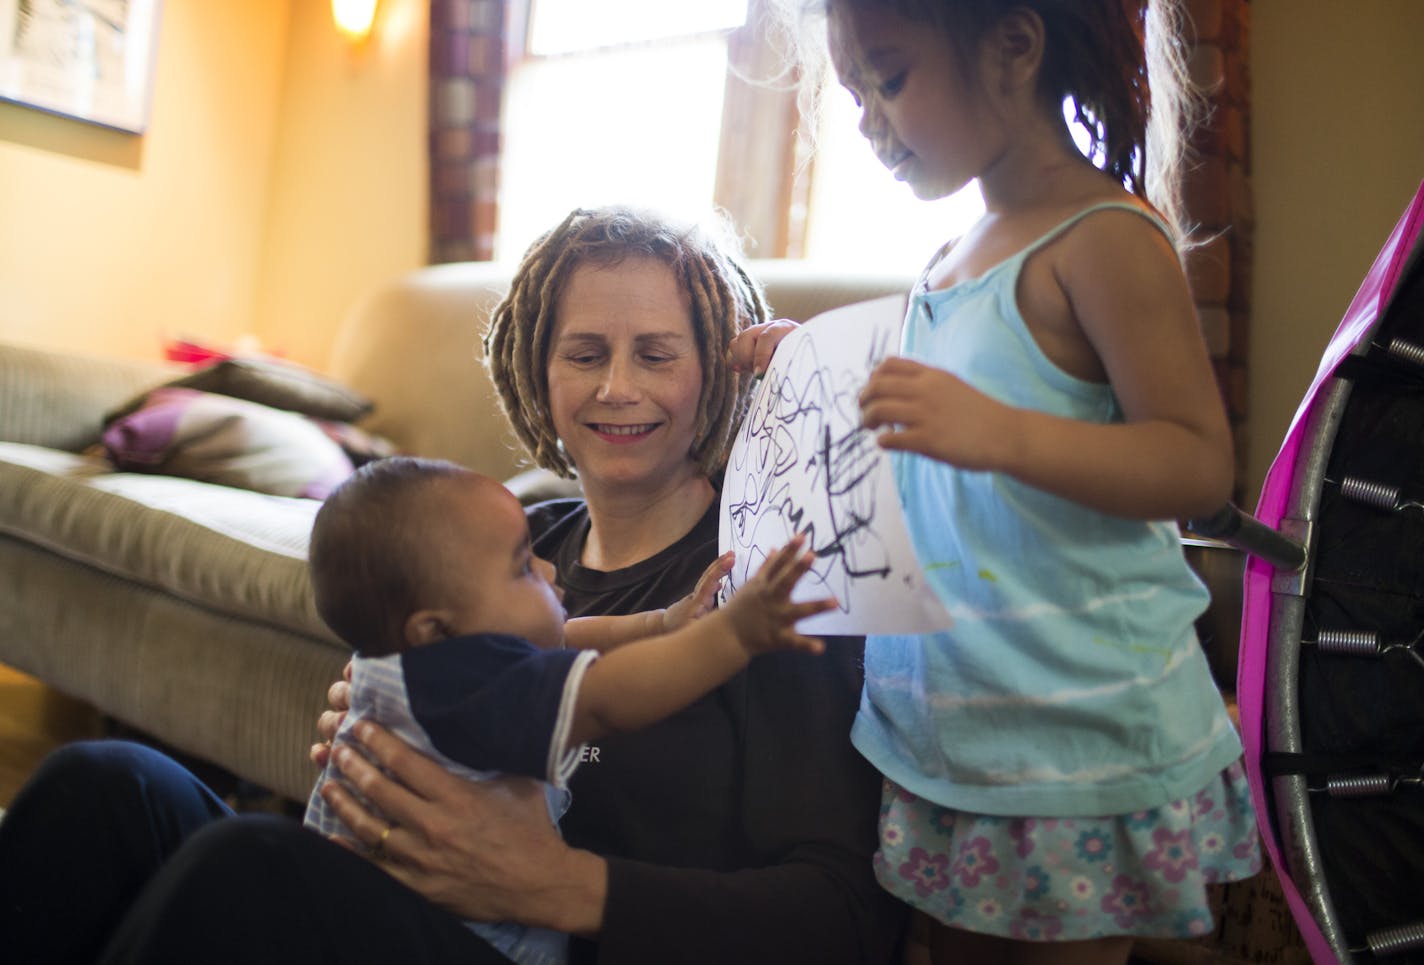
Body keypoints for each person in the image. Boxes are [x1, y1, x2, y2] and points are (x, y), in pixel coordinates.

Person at [0, 206, 906, 965]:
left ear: (715, 369)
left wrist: (560, 885)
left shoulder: (774, 577)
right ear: (536, 369)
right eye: (585, 353)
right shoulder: (512, 539)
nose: (617, 387)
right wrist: (378, 728)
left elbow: (844, 919)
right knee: (107, 781)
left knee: (248, 861)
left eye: (657, 354)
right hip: (419, 914)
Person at [733, 2, 1262, 963]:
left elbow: (1195, 460)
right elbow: (928, 429)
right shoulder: (948, 258)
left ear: (1014, 47)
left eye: (888, 80)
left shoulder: (1103, 236)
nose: (866, 122)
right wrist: (814, 366)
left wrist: (1004, 434)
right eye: (854, 94)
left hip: (1074, 728)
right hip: (954, 719)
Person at [303, 455, 833, 965]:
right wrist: (732, 634)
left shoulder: (416, 666)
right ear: (437, 630)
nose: (546, 566)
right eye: (521, 569)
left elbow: (565, 638)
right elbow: (607, 697)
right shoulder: (469, 683)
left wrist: (658, 625)